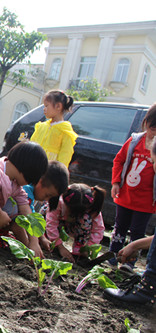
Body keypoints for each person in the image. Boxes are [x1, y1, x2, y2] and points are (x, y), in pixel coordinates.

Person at [104, 138, 156, 305]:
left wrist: (135, 245)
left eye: (154, 161)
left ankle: (148, 289)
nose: (153, 167)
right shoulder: (134, 141)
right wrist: (135, 245)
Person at [108, 103, 156, 270]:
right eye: (152, 128)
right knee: (119, 227)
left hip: (146, 201)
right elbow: (119, 161)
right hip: (126, 195)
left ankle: (129, 261)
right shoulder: (135, 141)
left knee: (138, 231)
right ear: (146, 123)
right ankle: (113, 254)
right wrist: (115, 182)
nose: (153, 132)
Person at [43, 183, 106, 263]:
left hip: (75, 226)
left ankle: (79, 249)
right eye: (71, 211)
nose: (73, 215)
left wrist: (88, 247)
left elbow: (98, 229)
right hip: (58, 221)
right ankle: (46, 240)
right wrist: (59, 246)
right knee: (45, 213)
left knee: (86, 219)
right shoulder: (59, 202)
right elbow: (51, 224)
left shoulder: (91, 208)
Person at [30, 90, 78, 167]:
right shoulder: (41, 126)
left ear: (58, 106)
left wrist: (57, 170)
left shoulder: (65, 131)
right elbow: (32, 144)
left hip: (49, 170)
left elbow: (66, 153)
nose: (44, 109)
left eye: (46, 106)